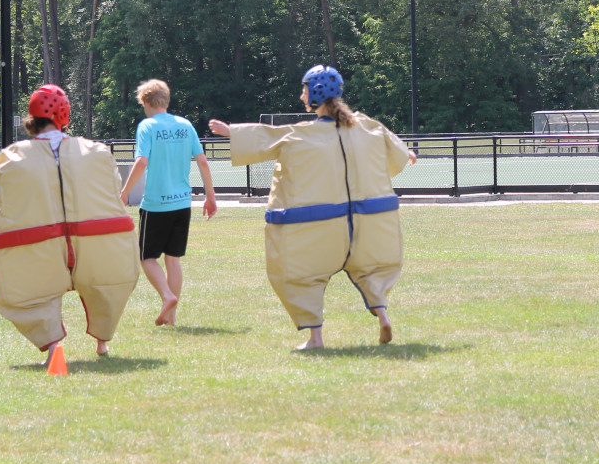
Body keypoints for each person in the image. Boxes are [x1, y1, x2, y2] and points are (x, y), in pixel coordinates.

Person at [208, 65, 416, 350]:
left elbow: (267, 137)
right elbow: (397, 156)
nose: (300, 96)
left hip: (317, 227)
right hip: (367, 225)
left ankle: (315, 339)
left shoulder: (301, 134)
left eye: (304, 90)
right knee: (372, 270)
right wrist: (409, 154)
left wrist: (230, 132)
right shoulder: (367, 126)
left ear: (316, 93)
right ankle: (382, 314)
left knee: (301, 277)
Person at [0, 84, 140, 358]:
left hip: (39, 244)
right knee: (105, 283)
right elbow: (112, 190)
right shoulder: (95, 152)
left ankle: (53, 345)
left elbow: (6, 204)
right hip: (96, 242)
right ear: (64, 116)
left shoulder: (15, 157)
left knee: (34, 289)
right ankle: (102, 340)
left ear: (31, 121)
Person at [118, 79, 217, 327]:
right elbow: (203, 162)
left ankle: (167, 296)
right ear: (167, 100)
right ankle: (171, 318)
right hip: (183, 203)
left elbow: (141, 162)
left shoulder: (147, 126)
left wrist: (124, 192)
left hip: (156, 204)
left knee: (146, 257)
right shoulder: (185, 125)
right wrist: (210, 196)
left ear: (146, 102)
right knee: (173, 259)